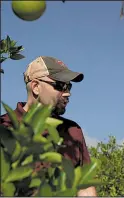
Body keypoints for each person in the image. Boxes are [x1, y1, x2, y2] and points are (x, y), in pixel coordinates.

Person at [0, 56, 97, 197]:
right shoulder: (4, 128)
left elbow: (86, 188)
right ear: (36, 87)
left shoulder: (73, 131)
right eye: (60, 85)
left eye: (69, 86)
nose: (67, 93)